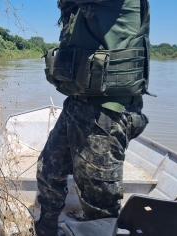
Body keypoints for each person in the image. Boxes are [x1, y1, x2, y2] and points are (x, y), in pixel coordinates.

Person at [35, 0, 152, 235]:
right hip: (77, 105)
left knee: (99, 206)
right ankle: (46, 230)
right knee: (48, 170)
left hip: (105, 114)